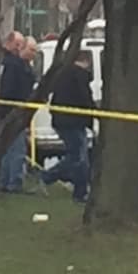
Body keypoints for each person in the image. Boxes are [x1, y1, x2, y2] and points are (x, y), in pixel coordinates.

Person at [40, 53, 94, 204]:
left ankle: (80, 192)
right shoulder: (80, 76)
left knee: (80, 158)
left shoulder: (62, 74)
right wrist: (94, 115)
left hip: (62, 120)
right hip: (73, 122)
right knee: (78, 157)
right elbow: (85, 99)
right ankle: (47, 177)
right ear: (85, 62)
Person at [0, 36, 37, 194]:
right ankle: (14, 183)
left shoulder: (24, 66)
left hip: (17, 112)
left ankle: (5, 181)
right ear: (22, 48)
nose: (33, 53)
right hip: (14, 111)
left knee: (10, 149)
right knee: (17, 149)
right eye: (31, 49)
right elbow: (8, 90)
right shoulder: (15, 66)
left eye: (35, 51)